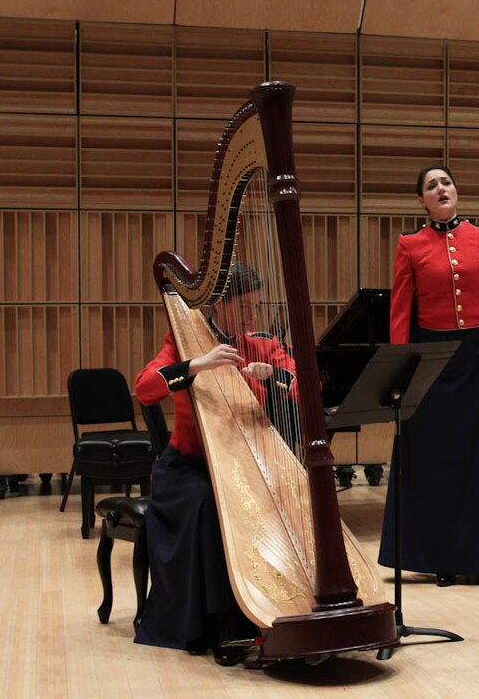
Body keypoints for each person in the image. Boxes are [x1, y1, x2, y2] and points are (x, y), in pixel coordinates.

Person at [134, 262, 297, 660]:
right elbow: (145, 389)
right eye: (244, 307)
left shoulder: (260, 344)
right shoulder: (184, 341)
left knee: (290, 497)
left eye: (256, 306)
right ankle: (225, 624)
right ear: (219, 305)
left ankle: (281, 604)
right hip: (187, 469)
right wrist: (197, 365)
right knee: (213, 504)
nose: (251, 316)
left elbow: (301, 384)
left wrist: (271, 372)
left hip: (247, 466)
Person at [377, 165, 479, 587]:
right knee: (435, 463)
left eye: (446, 182)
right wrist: (405, 370)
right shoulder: (409, 245)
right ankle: (439, 557)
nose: (441, 189)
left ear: (456, 191)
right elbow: (400, 314)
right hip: (431, 362)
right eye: (431, 186)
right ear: (422, 201)